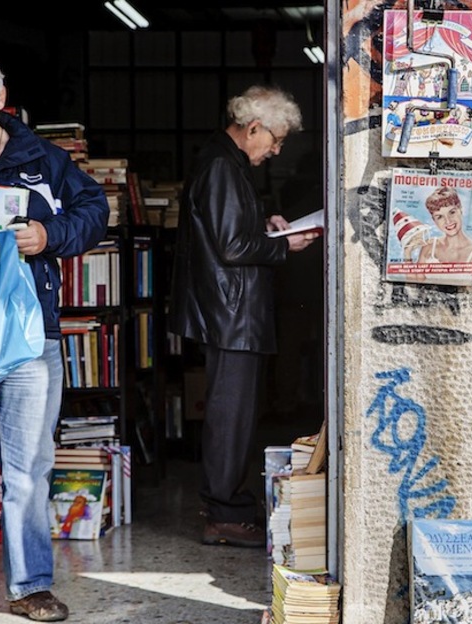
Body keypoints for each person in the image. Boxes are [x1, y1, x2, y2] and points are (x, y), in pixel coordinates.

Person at [0, 50, 109, 624]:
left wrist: (49, 234)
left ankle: (31, 587)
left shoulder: (40, 158)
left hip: (29, 335)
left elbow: (95, 209)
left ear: (0, 98)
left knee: (27, 468)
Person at [168, 85, 318, 548]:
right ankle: (223, 513)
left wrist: (267, 223)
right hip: (228, 313)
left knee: (235, 413)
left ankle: (228, 503)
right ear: (252, 127)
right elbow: (232, 247)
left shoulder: (226, 164)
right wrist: (283, 244)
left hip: (233, 311)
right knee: (229, 415)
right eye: (274, 139)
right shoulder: (220, 166)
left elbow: (229, 231)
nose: (276, 150)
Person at [415, 186, 472, 264]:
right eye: (440, 217)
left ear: (461, 210)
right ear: (434, 220)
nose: (448, 221)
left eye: (452, 212)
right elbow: (415, 276)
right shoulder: (429, 246)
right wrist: (407, 252)